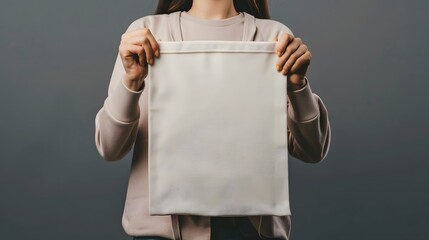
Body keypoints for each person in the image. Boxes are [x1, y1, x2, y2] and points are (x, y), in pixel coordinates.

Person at [94, 0, 331, 239]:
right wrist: (131, 82)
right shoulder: (146, 34)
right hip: (161, 233)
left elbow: (313, 150)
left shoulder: (275, 38)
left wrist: (297, 86)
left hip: (250, 232)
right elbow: (110, 147)